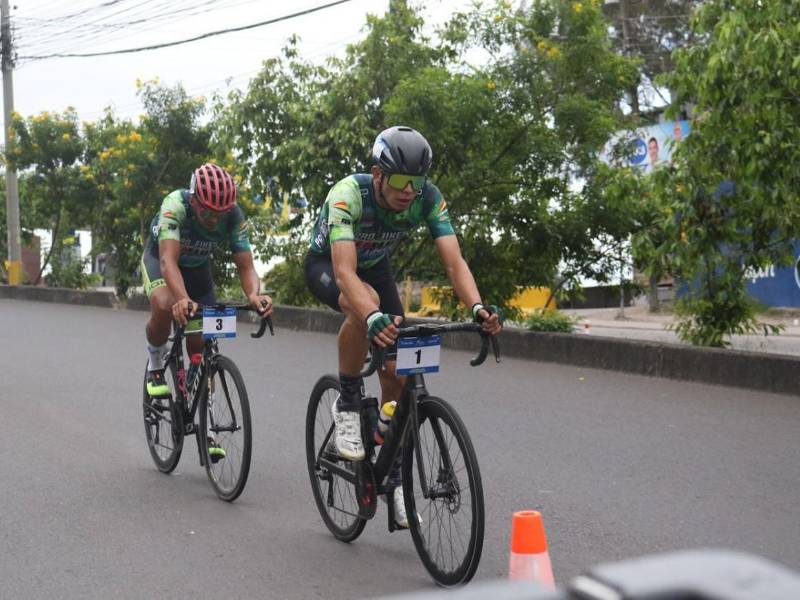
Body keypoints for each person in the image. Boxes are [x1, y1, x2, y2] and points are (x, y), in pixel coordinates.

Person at [304, 125, 502, 527]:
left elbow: (453, 263)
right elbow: (344, 272)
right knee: (367, 307)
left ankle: (391, 467)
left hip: (376, 268)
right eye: (400, 181)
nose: (409, 190)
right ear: (378, 175)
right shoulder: (348, 195)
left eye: (417, 181)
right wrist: (370, 315)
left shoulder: (427, 198)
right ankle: (346, 403)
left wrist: (478, 307)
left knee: (396, 371)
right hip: (329, 266)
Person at [142, 163, 273, 461]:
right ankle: (156, 364)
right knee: (164, 305)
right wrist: (182, 299)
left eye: (220, 213)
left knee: (201, 344)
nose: (214, 219)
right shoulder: (175, 206)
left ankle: (207, 424)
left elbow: (246, 265)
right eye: (207, 213)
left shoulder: (233, 215)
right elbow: (167, 262)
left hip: (197, 270)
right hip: (163, 263)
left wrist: (254, 294)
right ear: (194, 200)